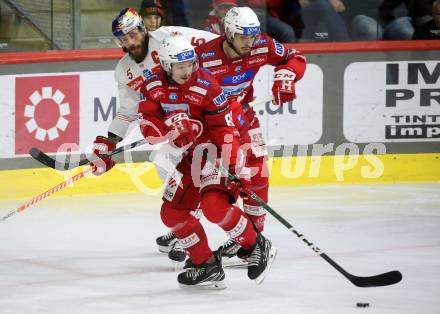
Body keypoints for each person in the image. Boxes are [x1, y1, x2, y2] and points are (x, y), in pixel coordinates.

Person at [162, 6, 306, 267]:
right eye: (242, 37)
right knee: (203, 178)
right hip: (213, 129)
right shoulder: (203, 57)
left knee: (257, 173)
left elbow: (293, 57)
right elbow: (180, 88)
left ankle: (253, 239)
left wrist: (286, 76)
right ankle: (185, 230)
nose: (249, 43)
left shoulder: (262, 46)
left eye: (252, 36)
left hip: (243, 117)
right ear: (228, 33)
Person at [138, 34, 277, 289]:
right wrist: (168, 127)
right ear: (167, 66)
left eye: (191, 64)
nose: (188, 71)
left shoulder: (207, 85)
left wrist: (233, 164)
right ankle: (206, 265)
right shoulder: (151, 86)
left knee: (214, 206)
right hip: (191, 157)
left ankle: (255, 245)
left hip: (215, 152)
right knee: (172, 213)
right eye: (181, 66)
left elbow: (225, 129)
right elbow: (148, 129)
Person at [90, 7, 217, 178]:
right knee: (163, 166)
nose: (130, 43)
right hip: (179, 126)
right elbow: (128, 112)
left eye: (132, 35)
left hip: (205, 113)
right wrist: (110, 143)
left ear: (143, 29)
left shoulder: (170, 36)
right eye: (123, 39)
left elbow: (216, 44)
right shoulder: (124, 71)